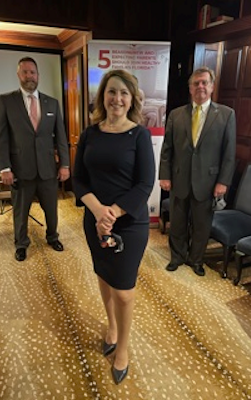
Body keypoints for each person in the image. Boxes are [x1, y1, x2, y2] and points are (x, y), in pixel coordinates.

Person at [72, 69, 155, 384]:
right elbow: (79, 179)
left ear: (131, 98)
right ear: (102, 96)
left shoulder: (140, 135)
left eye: (123, 92)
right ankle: (111, 326)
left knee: (124, 292)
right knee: (104, 278)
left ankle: (124, 346)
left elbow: (145, 183)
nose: (117, 98)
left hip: (130, 224)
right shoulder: (90, 133)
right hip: (95, 221)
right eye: (111, 91)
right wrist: (97, 210)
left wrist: (113, 213)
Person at [159, 66, 236, 277]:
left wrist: (223, 182)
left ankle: (196, 260)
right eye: (196, 83)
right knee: (178, 223)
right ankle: (177, 257)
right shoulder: (176, 115)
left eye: (204, 82)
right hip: (178, 179)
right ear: (190, 88)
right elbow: (167, 148)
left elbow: (229, 153)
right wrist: (164, 175)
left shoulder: (226, 115)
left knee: (202, 225)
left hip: (209, 182)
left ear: (211, 87)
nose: (200, 86)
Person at [0, 57, 70, 262]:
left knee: (51, 209)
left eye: (32, 72)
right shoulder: (6, 101)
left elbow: (61, 137)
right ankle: (21, 243)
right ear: (19, 75)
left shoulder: (52, 103)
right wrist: (4, 168)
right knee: (20, 212)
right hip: (20, 170)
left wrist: (65, 164)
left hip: (47, 171)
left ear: (38, 75)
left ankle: (53, 237)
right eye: (25, 72)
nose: (29, 76)